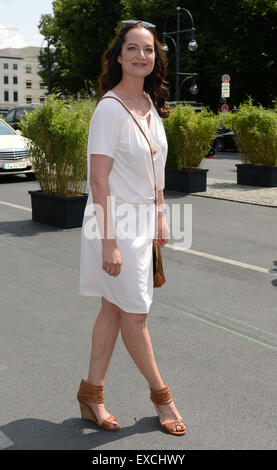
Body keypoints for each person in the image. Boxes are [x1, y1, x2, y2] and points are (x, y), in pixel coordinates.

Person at [78, 19, 186, 436]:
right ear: (118, 56)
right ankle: (163, 397)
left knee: (113, 309)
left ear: (156, 57)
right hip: (116, 225)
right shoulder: (110, 108)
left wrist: (159, 212)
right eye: (133, 49)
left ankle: (91, 394)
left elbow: (154, 169)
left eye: (149, 49)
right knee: (136, 316)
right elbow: (99, 181)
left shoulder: (150, 105)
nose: (142, 55)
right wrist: (110, 244)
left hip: (142, 222)